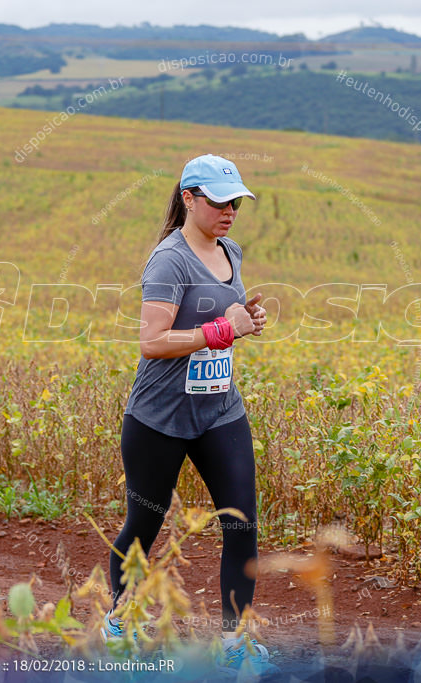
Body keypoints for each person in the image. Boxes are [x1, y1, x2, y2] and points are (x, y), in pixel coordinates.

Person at [102, 154, 269, 669]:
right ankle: (119, 621)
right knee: (144, 524)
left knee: (242, 523)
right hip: (160, 417)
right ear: (189, 199)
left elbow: (222, 314)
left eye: (235, 201)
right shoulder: (169, 260)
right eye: (218, 201)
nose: (229, 210)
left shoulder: (231, 251)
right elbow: (151, 342)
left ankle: (235, 639)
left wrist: (245, 317)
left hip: (220, 410)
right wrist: (221, 331)